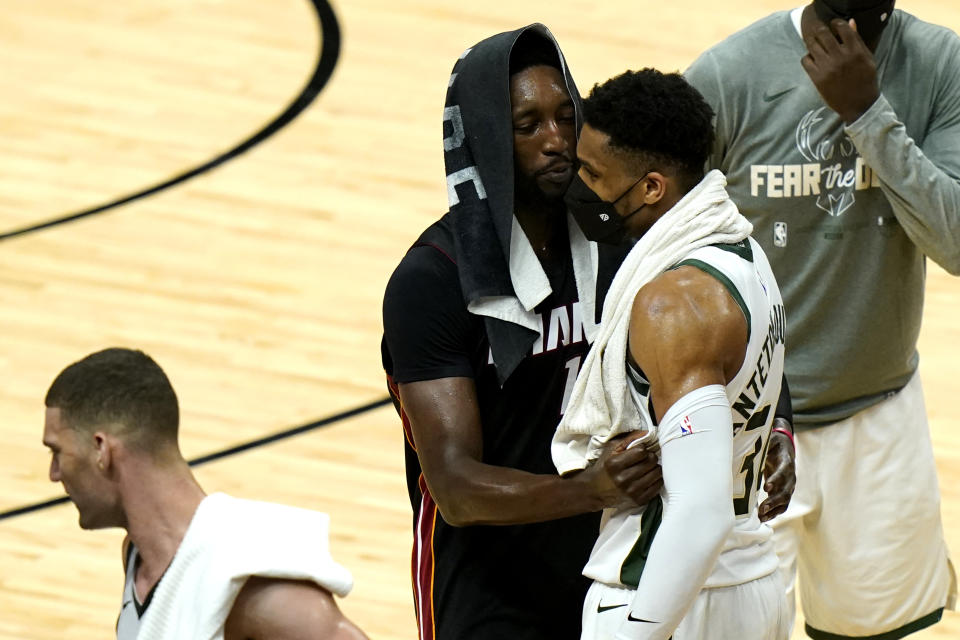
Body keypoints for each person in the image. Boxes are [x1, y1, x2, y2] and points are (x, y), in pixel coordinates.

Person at [380, 24, 666, 640]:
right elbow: (455, 488)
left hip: (605, 564)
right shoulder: (433, 281)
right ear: (485, 138)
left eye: (567, 116)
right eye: (528, 125)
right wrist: (591, 488)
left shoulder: (614, 240)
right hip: (487, 587)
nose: (557, 141)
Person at [684, 1, 958, 637]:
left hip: (879, 412)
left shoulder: (941, 64)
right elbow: (657, 243)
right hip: (743, 422)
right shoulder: (727, 76)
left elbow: (956, 243)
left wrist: (866, 113)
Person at [553, 68, 790, 640]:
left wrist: (638, 630)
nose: (578, 185)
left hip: (670, 593)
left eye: (592, 173)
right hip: (752, 582)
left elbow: (699, 511)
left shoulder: (673, 304)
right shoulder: (746, 254)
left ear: (653, 187)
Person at [42, 347, 368, 640]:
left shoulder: (251, 584)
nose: (54, 474)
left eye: (58, 452)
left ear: (101, 450)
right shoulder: (138, 558)